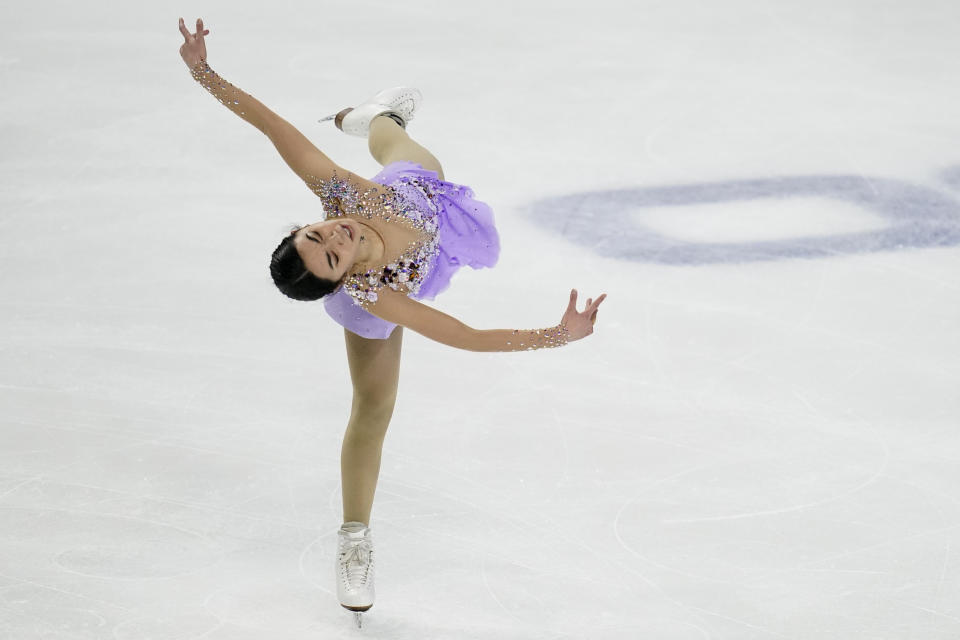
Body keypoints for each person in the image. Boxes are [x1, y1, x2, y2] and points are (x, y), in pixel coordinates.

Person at [178, 17, 607, 627]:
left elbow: (269, 124)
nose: (334, 234)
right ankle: (355, 538)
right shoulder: (371, 293)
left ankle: (374, 116)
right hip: (408, 274)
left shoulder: (340, 196)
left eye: (315, 232)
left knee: (399, 148)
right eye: (330, 254)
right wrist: (556, 336)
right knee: (374, 409)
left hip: (424, 203)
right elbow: (464, 337)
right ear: (339, 277)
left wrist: (202, 71)